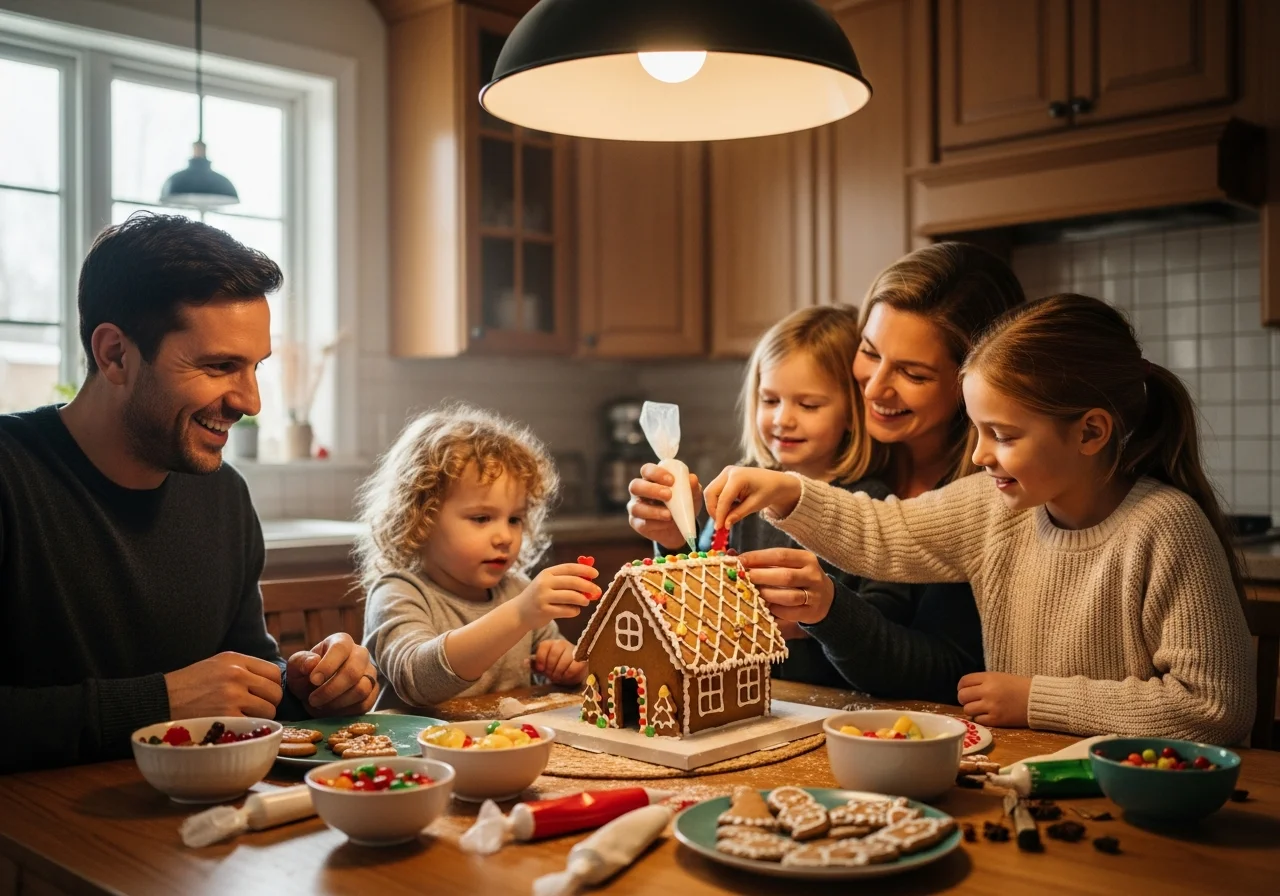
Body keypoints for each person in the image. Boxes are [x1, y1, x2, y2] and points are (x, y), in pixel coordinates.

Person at [705, 293, 1255, 744]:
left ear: (1090, 432)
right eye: (978, 430)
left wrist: (1034, 699)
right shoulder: (993, 506)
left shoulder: (1166, 527)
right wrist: (785, 490)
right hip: (1020, 775)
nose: (979, 455)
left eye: (1004, 435)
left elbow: (1212, 708)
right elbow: (882, 534)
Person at [0, 213, 378, 773]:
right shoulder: (12, 477)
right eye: (220, 366)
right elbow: (183, 701)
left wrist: (305, 686)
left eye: (254, 368)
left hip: (197, 836)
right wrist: (160, 705)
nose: (250, 402)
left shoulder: (223, 497)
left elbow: (244, 678)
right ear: (115, 355)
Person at [629, 243, 1025, 702]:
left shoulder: (984, 499)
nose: (873, 389)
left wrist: (825, 610)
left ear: (974, 383)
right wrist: (673, 538)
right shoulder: (792, 472)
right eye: (870, 352)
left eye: (914, 374)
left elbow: (942, 674)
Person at [358, 404, 596, 710]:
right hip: (417, 755)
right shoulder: (399, 593)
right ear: (422, 519)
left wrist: (568, 664)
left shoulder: (517, 591)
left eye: (515, 519)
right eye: (482, 518)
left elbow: (568, 667)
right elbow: (418, 681)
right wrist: (519, 615)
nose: (505, 537)